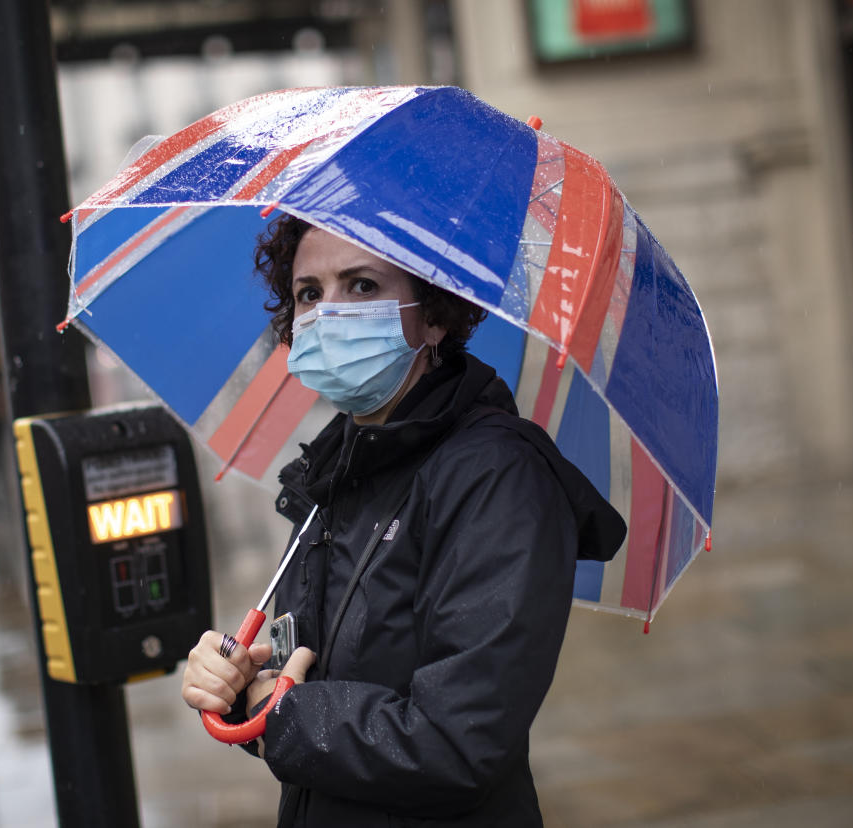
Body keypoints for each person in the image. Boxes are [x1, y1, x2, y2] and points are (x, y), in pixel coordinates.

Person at [181, 215, 627, 827]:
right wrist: (236, 681)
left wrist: (281, 716)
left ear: (435, 315)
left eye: (362, 286)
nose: (328, 313)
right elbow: (304, 667)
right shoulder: (334, 473)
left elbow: (458, 742)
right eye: (309, 293)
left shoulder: (497, 477)